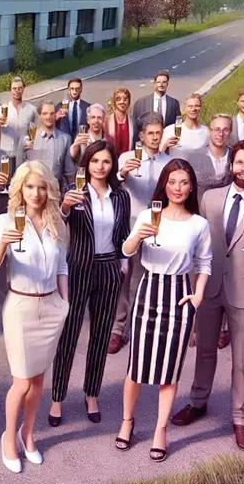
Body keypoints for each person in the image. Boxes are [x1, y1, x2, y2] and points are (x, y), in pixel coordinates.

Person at [170, 141, 244, 451]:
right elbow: (194, 240)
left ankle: (241, 419)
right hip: (209, 288)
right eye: (240, 162)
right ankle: (198, 402)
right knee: (205, 350)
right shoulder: (209, 198)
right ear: (231, 165)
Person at [116, 158, 211, 462]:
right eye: (172, 182)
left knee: (169, 371)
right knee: (137, 367)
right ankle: (127, 422)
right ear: (164, 185)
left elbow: (204, 263)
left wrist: (197, 296)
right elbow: (126, 251)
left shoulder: (199, 224)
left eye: (184, 182)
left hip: (179, 293)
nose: (178, 188)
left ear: (191, 186)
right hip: (149, 289)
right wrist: (138, 234)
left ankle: (160, 430)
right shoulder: (147, 215)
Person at [0, 161, 70, 473]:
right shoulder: (6, 221)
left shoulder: (57, 223)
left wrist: (65, 304)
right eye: (29, 186)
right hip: (20, 307)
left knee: (38, 381)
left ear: (49, 189)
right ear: (19, 189)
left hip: (51, 307)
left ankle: (28, 433)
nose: (35, 193)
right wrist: (4, 242)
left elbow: (62, 266)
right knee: (21, 382)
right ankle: (9, 437)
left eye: (41, 186)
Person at [49, 141, 130, 427]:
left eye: (106, 162)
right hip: (79, 269)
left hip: (108, 269)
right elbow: (58, 225)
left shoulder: (121, 197)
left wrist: (123, 264)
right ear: (88, 163)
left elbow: (124, 234)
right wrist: (65, 208)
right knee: (69, 335)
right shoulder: (74, 192)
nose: (100, 166)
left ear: (112, 165)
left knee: (100, 335)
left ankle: (91, 394)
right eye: (95, 161)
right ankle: (57, 397)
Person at [109, 113, 170, 354]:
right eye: (151, 133)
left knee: (149, 279)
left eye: (158, 133)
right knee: (123, 277)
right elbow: (111, 186)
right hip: (130, 226)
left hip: (157, 228)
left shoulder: (169, 162)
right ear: (141, 135)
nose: (155, 138)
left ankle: (142, 327)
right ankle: (117, 328)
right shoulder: (127, 158)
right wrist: (123, 172)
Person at [20, 102, 76, 190]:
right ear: (39, 116)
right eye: (45, 113)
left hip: (54, 194)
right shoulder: (29, 139)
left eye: (52, 113)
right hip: (33, 193)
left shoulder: (65, 139)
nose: (48, 117)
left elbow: (69, 173)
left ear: (56, 115)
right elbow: (19, 170)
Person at [0, 77, 38, 154]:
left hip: (25, 153)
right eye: (14, 88)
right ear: (10, 90)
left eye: (19, 88)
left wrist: (33, 142)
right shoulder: (0, 110)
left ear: (23, 89)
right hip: (6, 154)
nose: (17, 91)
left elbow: (37, 130)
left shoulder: (32, 109)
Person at [106, 87, 135, 158]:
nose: (122, 102)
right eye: (118, 99)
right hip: (111, 161)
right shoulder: (106, 121)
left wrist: (138, 161)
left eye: (125, 99)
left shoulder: (134, 122)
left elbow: (138, 144)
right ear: (114, 102)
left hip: (129, 162)